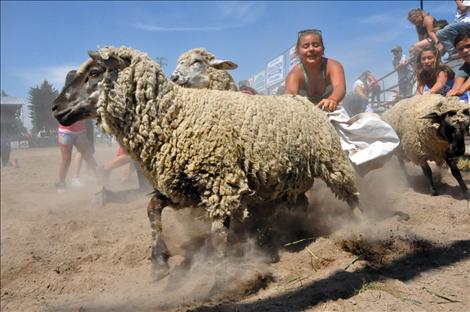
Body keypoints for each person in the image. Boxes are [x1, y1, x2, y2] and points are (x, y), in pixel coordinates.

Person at [284, 29, 400, 175]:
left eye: (316, 45)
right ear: (298, 51)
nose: (311, 49)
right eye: (306, 46)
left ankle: (360, 170)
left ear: (323, 48)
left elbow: (340, 87)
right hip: (305, 116)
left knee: (362, 136)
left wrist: (332, 99)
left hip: (332, 111)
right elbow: (289, 97)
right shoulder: (295, 74)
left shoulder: (333, 65)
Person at [55, 70, 98, 192]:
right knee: (66, 159)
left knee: (88, 155)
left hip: (80, 131)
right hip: (66, 132)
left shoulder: (84, 92)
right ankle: (61, 183)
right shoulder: (64, 96)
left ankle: (100, 179)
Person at [447, 32, 470, 102]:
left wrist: (461, 90)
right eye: (460, 49)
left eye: (468, 46)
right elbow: (456, 88)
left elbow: (460, 90)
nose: (465, 51)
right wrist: (453, 93)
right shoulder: (463, 69)